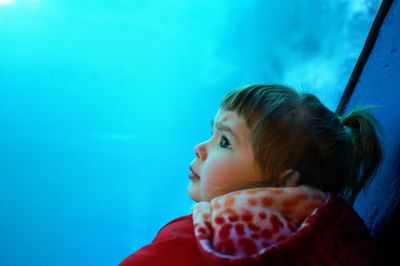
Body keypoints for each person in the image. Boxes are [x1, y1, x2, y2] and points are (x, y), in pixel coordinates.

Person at [119, 84, 383, 266]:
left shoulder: (199, 241)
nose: (199, 148)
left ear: (284, 182)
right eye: (212, 134)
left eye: (224, 141)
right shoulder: (346, 242)